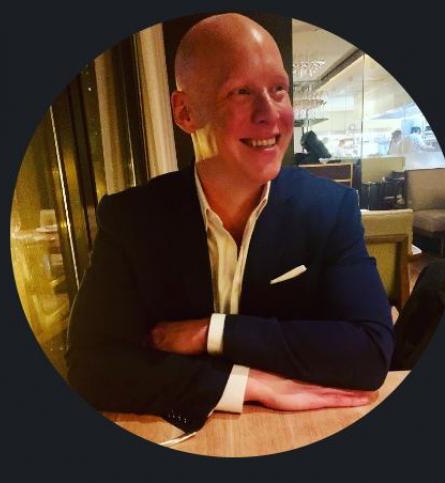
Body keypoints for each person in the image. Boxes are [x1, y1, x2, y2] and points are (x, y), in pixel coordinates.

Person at [66, 13, 394, 434]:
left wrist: (212, 332)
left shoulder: (329, 210)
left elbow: (369, 353)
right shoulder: (132, 219)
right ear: (185, 112)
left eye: (279, 90)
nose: (271, 115)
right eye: (241, 92)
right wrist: (243, 384)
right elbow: (92, 366)